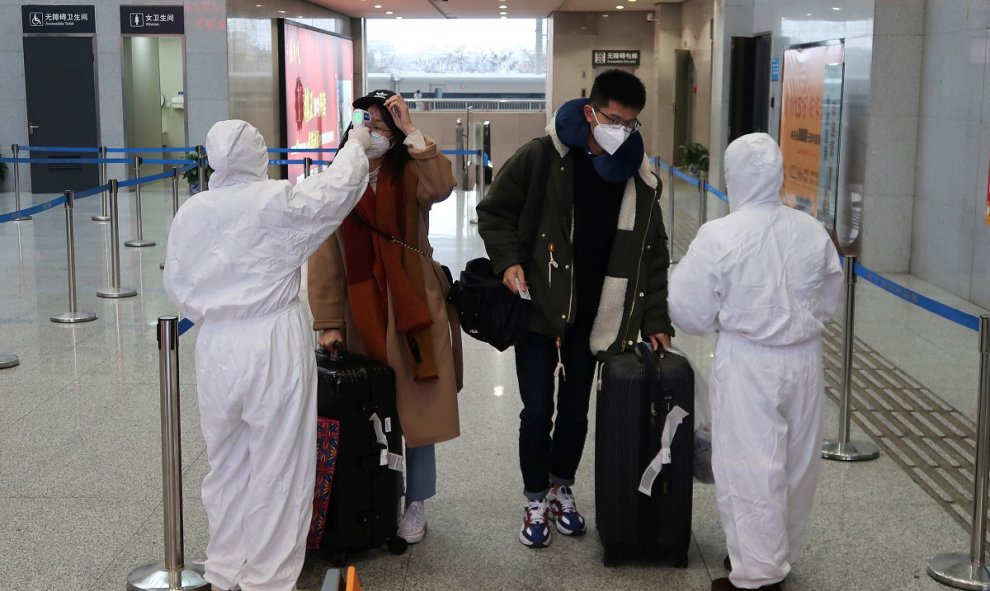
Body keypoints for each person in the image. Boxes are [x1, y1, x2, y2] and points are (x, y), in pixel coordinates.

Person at [162, 119, 372, 591]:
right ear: (259, 155)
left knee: (227, 463)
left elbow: (177, 286)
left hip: (216, 347)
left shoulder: (192, 213)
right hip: (272, 340)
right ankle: (268, 581)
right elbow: (334, 193)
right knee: (280, 463)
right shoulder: (274, 200)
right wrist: (356, 146)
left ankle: (223, 572)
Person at [476, 69, 674, 548]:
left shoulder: (639, 179)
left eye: (630, 124)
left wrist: (655, 320)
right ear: (591, 111)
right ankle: (533, 498)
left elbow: (652, 255)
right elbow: (494, 211)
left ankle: (563, 487)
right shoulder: (544, 156)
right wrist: (508, 262)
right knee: (536, 410)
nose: (620, 130)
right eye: (612, 118)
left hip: (597, 318)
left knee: (575, 413)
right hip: (540, 310)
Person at [667, 133, 843, 591]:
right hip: (805, 359)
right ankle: (775, 553)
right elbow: (830, 297)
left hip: (749, 360)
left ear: (735, 178)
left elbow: (688, 308)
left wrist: (722, 321)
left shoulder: (720, 235)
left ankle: (758, 573)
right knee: (797, 465)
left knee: (750, 464)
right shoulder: (811, 229)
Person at [307, 89, 462, 545]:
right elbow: (325, 257)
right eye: (366, 121)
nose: (374, 130)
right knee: (373, 410)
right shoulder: (338, 180)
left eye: (383, 123)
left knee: (416, 412)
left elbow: (444, 186)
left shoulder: (411, 171)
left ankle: (417, 501)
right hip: (362, 311)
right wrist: (329, 321)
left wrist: (413, 131)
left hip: (413, 306)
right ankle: (378, 496)